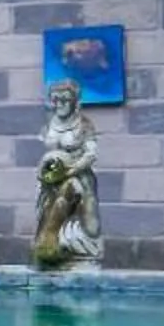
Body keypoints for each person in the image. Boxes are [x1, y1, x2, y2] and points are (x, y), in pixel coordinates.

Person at [34, 80, 103, 268]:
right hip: (50, 178)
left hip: (78, 175)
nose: (59, 104)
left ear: (74, 101)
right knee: (47, 205)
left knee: (70, 190)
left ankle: (55, 239)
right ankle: (47, 242)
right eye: (55, 100)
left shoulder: (84, 125)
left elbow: (91, 155)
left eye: (64, 100)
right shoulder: (50, 124)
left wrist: (72, 170)